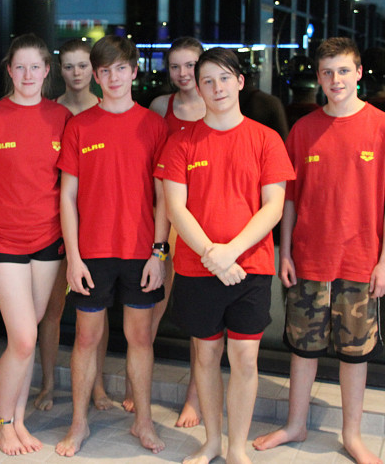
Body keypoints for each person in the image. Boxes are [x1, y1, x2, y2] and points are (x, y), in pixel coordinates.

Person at [155, 47, 294, 464]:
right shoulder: (181, 142)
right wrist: (211, 254)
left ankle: (237, 447)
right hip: (198, 269)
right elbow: (176, 206)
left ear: (240, 82)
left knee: (246, 356)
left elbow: (273, 205)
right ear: (197, 86)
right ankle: (213, 440)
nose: (216, 87)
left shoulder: (265, 138)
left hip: (249, 266)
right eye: (207, 80)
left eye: (224, 78)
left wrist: (231, 251)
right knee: (206, 353)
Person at [253, 38, 385, 464]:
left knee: (355, 352)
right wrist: (285, 253)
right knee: (302, 348)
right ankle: (296, 423)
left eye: (343, 71)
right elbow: (289, 198)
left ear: (359, 72)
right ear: (318, 78)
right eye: (327, 73)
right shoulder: (305, 128)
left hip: (361, 258)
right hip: (309, 257)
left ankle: (351, 434)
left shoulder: (380, 126)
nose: (335, 80)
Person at [55, 35, 168, 457]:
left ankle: (143, 420)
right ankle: (79, 423)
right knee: (86, 337)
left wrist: (159, 253)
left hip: (140, 250)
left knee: (140, 337)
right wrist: (74, 257)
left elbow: (163, 197)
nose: (113, 77)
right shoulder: (79, 126)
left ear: (134, 71)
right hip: (93, 251)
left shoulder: (154, 126)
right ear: (96, 77)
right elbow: (67, 196)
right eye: (105, 71)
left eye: (121, 68)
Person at [0, 33, 71, 456]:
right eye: (19, 67)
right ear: (9, 71)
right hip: (2, 242)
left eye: (35, 67)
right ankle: (4, 423)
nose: (27, 75)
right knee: (24, 337)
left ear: (47, 71)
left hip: (48, 241)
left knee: (27, 335)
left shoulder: (60, 117)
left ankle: (19, 418)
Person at [35, 38, 112, 413]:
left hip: (98, 228)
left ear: (94, 70)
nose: (77, 73)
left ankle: (97, 387)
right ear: (58, 70)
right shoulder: (51, 113)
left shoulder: (106, 110)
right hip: (55, 225)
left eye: (83, 66)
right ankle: (48, 384)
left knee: (97, 313)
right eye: (69, 66)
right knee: (53, 309)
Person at [147, 36, 206, 427]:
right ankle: (142, 385)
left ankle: (194, 400)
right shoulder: (158, 108)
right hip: (167, 219)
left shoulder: (217, 103)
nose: (184, 74)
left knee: (203, 319)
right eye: (176, 66)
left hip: (205, 220)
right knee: (151, 307)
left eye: (191, 65)